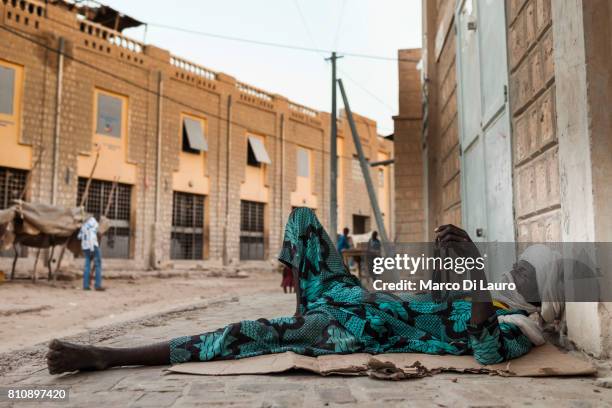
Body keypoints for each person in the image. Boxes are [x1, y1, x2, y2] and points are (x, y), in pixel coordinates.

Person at [47, 208, 536, 375]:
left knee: (241, 335)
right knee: (302, 218)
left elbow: (488, 352)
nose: (512, 274)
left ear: (530, 303)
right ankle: (303, 298)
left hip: (351, 326)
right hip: (350, 294)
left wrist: (472, 269)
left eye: (521, 277)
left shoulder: (517, 329)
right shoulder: (486, 295)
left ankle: (108, 356)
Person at [77, 216, 104, 291]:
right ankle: (97, 285)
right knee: (98, 264)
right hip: (93, 246)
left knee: (87, 266)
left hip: (85, 247)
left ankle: (85, 285)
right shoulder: (94, 223)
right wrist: (92, 249)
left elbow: (79, 236)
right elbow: (92, 236)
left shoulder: (85, 224)